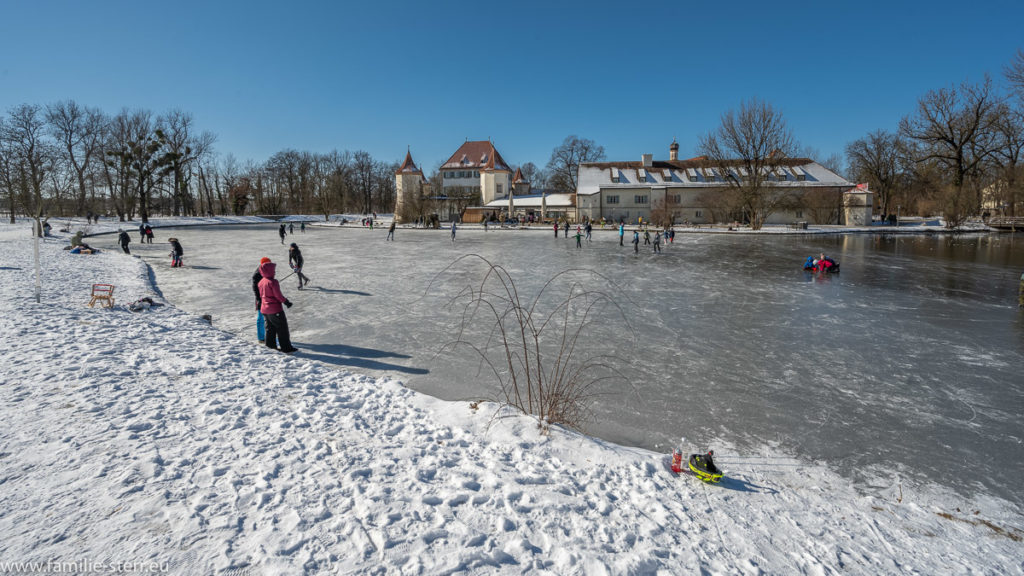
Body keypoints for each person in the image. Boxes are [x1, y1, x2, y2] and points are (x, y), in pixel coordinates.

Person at [257, 260, 297, 353]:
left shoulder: (261, 281)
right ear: (269, 271)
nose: (275, 272)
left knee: (270, 329)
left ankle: (270, 346)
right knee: (282, 329)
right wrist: (286, 302)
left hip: (264, 309)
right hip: (274, 310)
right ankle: (286, 348)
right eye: (273, 270)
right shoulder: (273, 282)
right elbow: (278, 296)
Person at [252, 257, 270, 343]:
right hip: (261, 299)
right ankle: (261, 337)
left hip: (267, 297)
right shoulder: (257, 274)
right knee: (261, 318)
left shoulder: (265, 271)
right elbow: (255, 289)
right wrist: (259, 299)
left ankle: (268, 335)